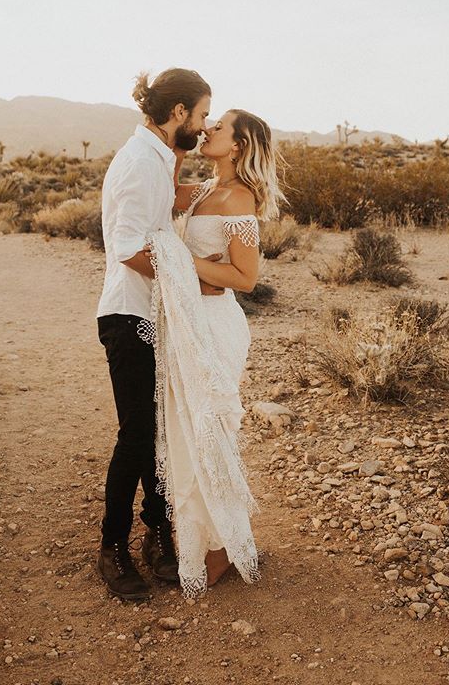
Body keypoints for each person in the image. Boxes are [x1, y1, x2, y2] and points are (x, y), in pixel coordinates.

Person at [153, 107, 284, 595]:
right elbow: (162, 197)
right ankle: (203, 540)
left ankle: (224, 545)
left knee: (210, 430)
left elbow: (245, 279)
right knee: (186, 430)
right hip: (188, 322)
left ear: (240, 145)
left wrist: (185, 264)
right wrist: (180, 147)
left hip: (216, 325)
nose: (210, 128)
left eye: (219, 126)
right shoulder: (205, 191)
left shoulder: (239, 198)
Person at [96, 67, 215, 601]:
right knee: (138, 435)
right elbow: (126, 247)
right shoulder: (142, 163)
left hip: (149, 314)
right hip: (129, 316)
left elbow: (163, 204)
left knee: (158, 432)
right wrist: (189, 280)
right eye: (203, 114)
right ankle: (112, 549)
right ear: (179, 113)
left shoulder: (157, 155)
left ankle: (159, 533)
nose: (206, 124)